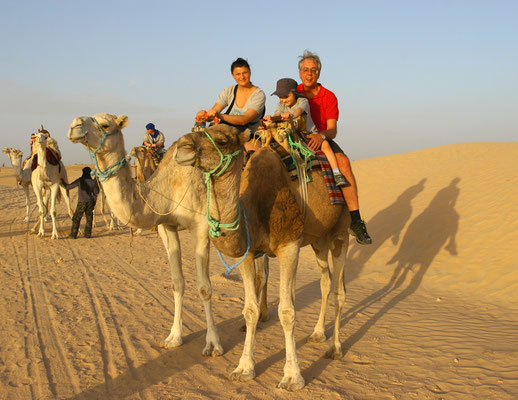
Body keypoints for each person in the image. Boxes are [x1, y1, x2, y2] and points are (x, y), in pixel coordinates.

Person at [296, 50, 372, 245]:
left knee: (343, 162)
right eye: (306, 70)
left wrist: (319, 136)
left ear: (319, 73)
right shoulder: (293, 91)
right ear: (300, 73)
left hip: (322, 138)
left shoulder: (329, 97)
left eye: (313, 70)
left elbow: (332, 130)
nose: (309, 73)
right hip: (295, 136)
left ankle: (355, 220)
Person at [264, 77, 348, 187]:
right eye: (281, 97)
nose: (284, 100)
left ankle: (336, 172)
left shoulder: (302, 101)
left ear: (294, 93)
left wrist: (292, 115)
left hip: (308, 132)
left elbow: (299, 110)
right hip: (291, 133)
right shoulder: (281, 105)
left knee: (325, 145)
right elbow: (277, 114)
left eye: (286, 96)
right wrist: (271, 119)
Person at [196, 57, 266, 152]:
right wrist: (205, 116)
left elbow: (244, 120)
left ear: (250, 72)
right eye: (238, 74)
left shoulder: (259, 94)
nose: (242, 77)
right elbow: (215, 111)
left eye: (245, 73)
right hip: (227, 133)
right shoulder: (228, 91)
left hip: (250, 135)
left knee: (250, 155)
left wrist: (219, 115)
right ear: (233, 75)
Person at [62, 167, 99, 239]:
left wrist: (62, 182)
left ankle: (73, 235)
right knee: (89, 219)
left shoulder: (80, 181)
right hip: (90, 202)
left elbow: (68, 187)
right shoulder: (93, 182)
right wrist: (93, 202)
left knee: (76, 219)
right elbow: (96, 193)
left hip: (81, 202)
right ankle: (87, 235)